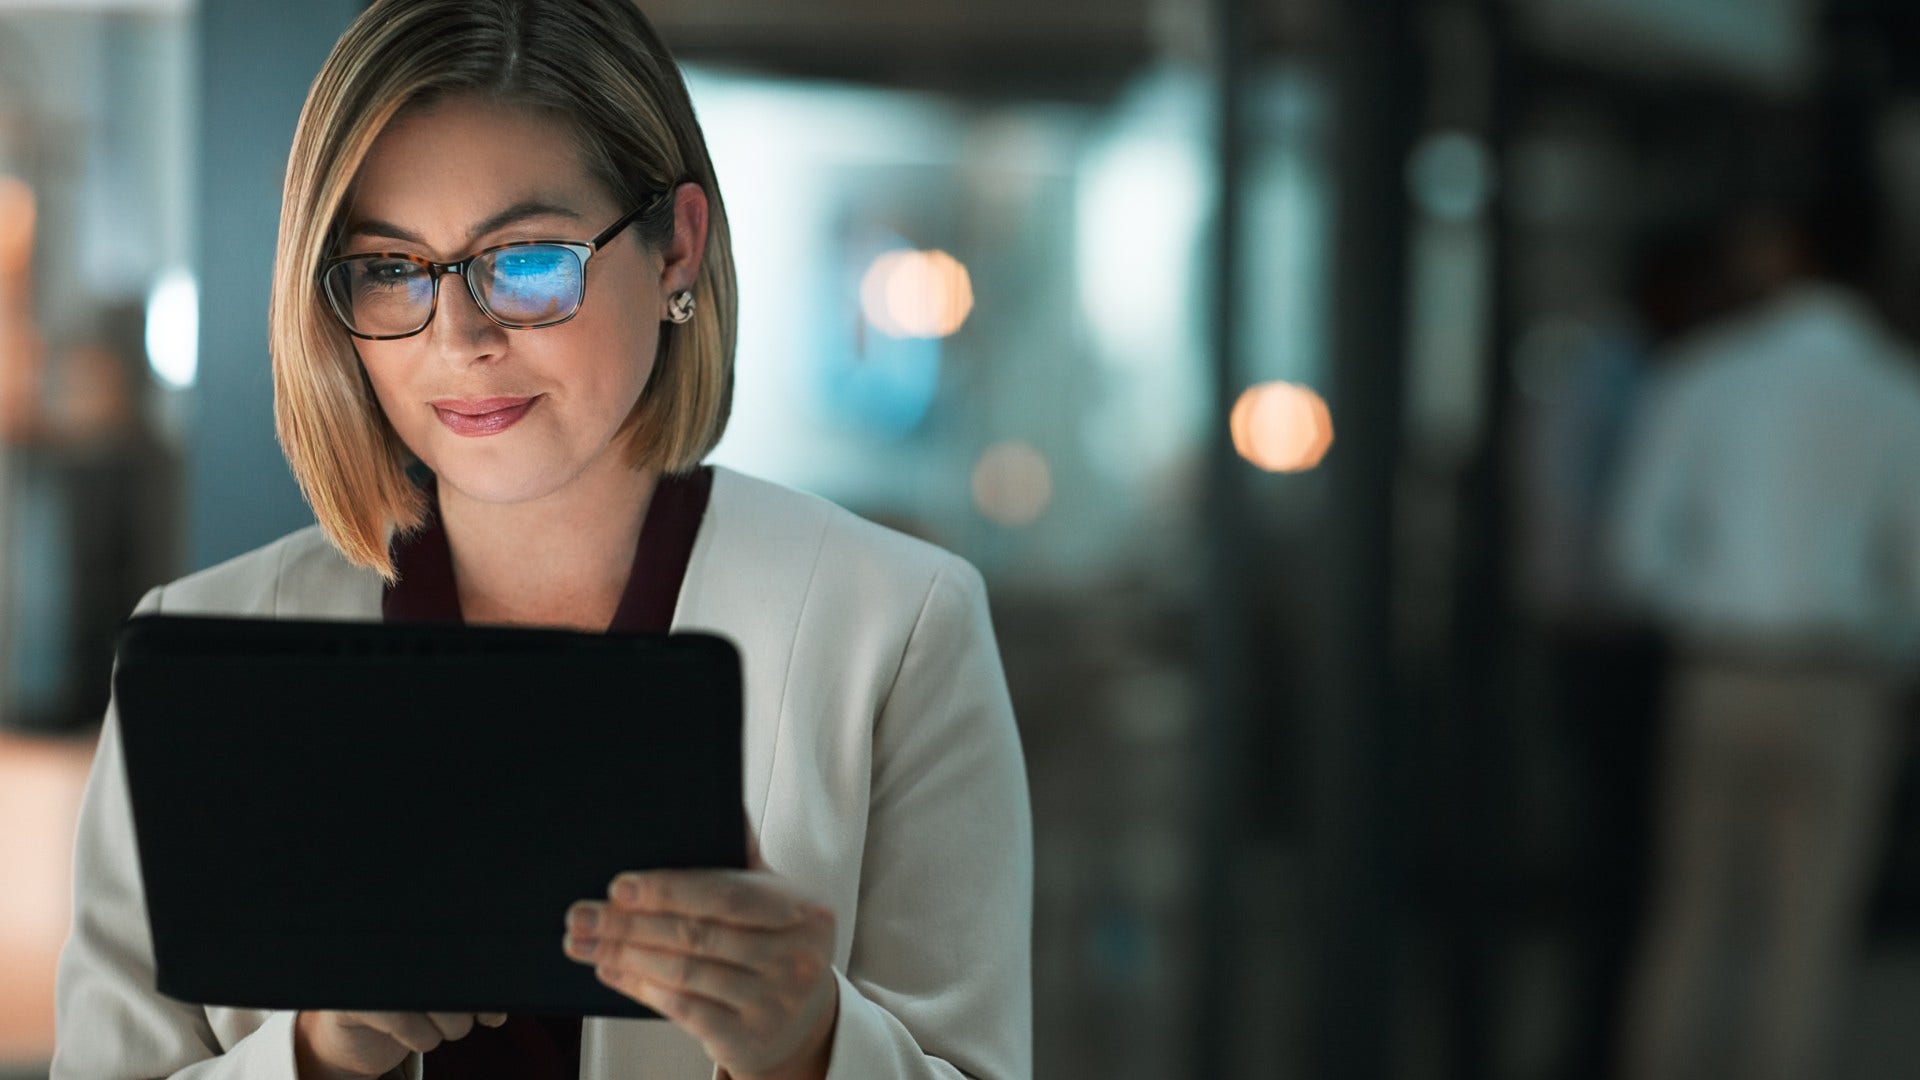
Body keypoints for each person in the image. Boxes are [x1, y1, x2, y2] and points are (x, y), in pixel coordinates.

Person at [49, 2, 1033, 1079]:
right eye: (391, 268)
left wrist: (812, 1045)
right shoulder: (201, 649)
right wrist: (316, 1055)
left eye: (524, 260)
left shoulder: (896, 626)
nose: (459, 339)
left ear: (677, 249)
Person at [1609, 203, 1920, 1080]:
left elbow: (1635, 552)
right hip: (1839, 677)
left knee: (1691, 916)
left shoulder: (1706, 375)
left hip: (1719, 671)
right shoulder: (1895, 389)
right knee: (1805, 933)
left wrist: (1721, 606)